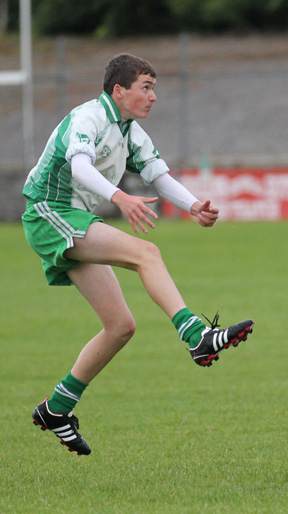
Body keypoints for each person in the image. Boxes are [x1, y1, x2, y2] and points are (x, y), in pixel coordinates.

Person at [22, 53, 254, 456]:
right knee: (147, 252)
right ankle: (197, 336)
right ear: (119, 90)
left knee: (121, 326)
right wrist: (119, 197)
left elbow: (157, 174)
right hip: (48, 212)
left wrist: (194, 206)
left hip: (72, 216)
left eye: (154, 88)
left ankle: (57, 409)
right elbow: (78, 165)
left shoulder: (127, 128)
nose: (153, 97)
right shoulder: (89, 117)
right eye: (146, 87)